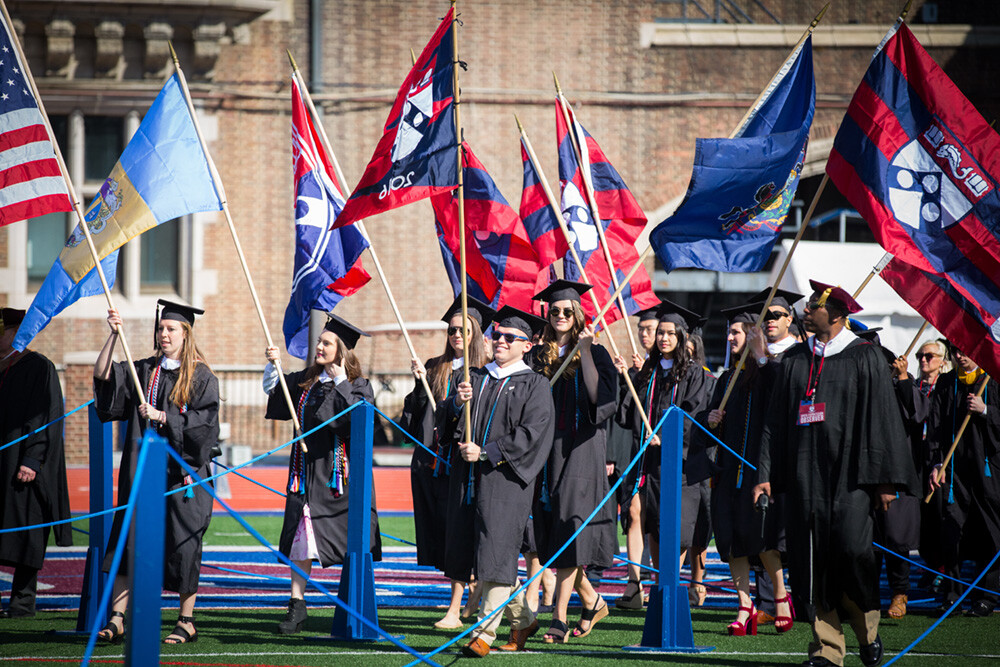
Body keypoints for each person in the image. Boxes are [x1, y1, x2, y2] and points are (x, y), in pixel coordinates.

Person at [753, 281, 919, 667]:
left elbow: (882, 420)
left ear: (839, 315)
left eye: (814, 307)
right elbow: (772, 424)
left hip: (851, 479)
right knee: (811, 562)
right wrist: (766, 474)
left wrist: (884, 481)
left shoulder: (865, 357)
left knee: (851, 554)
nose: (805, 311)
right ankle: (827, 649)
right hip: (802, 479)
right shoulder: (794, 360)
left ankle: (867, 630)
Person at [94, 301, 219, 644]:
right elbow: (104, 376)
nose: (163, 334)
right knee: (128, 540)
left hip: (185, 475)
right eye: (161, 328)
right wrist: (113, 336)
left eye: (171, 329)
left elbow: (206, 426)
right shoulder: (145, 370)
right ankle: (118, 618)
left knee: (185, 547)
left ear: (186, 334)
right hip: (142, 474)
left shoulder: (201, 376)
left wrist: (164, 417)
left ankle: (186, 621)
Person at [443, 306, 554, 657]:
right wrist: (455, 405)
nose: (500, 341)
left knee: (495, 552)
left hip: (506, 480)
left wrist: (488, 452)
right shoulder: (475, 378)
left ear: (527, 345)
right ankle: (524, 620)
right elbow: (447, 429)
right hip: (469, 476)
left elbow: (533, 435)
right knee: (485, 554)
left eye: (510, 338)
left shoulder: (534, 384)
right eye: (497, 335)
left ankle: (484, 634)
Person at [263, 312, 381, 635]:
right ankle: (296, 606)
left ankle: (354, 603)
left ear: (341, 350)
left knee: (346, 542)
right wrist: (273, 368)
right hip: (305, 474)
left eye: (327, 342)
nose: (319, 346)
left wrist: (340, 383)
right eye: (319, 340)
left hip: (339, 481)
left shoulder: (359, 387)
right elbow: (279, 400)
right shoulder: (307, 383)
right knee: (301, 541)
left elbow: (343, 422)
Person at [530, 281, 617, 643]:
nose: (561, 316)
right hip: (546, 450)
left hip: (581, 448)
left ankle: (559, 617)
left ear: (579, 315)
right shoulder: (539, 356)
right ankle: (593, 601)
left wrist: (585, 351)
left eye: (568, 311)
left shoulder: (596, 354)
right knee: (551, 535)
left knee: (569, 527)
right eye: (555, 311)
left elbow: (600, 401)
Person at [400, 296, 494, 630]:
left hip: (464, 464)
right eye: (453, 330)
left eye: (464, 331)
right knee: (441, 532)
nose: (457, 335)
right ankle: (467, 593)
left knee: (463, 531)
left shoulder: (484, 372)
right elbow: (414, 420)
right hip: (431, 462)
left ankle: (462, 601)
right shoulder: (434, 367)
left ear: (476, 335)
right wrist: (417, 385)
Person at [616, 302, 713, 602]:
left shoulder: (694, 374)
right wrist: (627, 379)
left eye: (670, 333)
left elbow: (691, 413)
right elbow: (627, 412)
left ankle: (666, 586)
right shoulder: (649, 370)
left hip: (678, 463)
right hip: (645, 461)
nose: (663, 338)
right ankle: (639, 585)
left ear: (682, 337)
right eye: (661, 333)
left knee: (671, 527)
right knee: (640, 516)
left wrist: (666, 435)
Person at [705, 302, 792, 636]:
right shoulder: (727, 378)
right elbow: (707, 425)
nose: (730, 337)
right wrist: (710, 420)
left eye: (736, 332)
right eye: (729, 332)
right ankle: (745, 606)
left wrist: (760, 355)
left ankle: (781, 598)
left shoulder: (771, 368)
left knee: (762, 539)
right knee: (730, 541)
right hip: (727, 472)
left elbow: (781, 398)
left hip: (759, 469)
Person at [0, 308, 72, 618]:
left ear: (16, 333)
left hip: (22, 465)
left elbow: (47, 418)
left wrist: (32, 458)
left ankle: (22, 602)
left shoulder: (39, 367)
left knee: (27, 530)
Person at [927, 344, 1000, 617]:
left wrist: (985, 411)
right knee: (952, 530)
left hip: (989, 469)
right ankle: (953, 593)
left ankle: (987, 596)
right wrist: (936, 462)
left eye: (965, 350)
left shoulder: (993, 377)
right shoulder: (947, 382)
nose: (960, 356)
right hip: (954, 469)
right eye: (955, 350)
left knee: (989, 531)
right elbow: (934, 425)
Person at [747, 286, 803, 626]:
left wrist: (763, 358)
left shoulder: (799, 354)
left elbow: (786, 393)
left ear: (790, 319)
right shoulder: (754, 355)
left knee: (790, 529)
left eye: (777, 315)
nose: (770, 320)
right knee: (765, 527)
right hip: (762, 450)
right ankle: (769, 601)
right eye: (765, 315)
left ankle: (803, 600)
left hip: (792, 452)